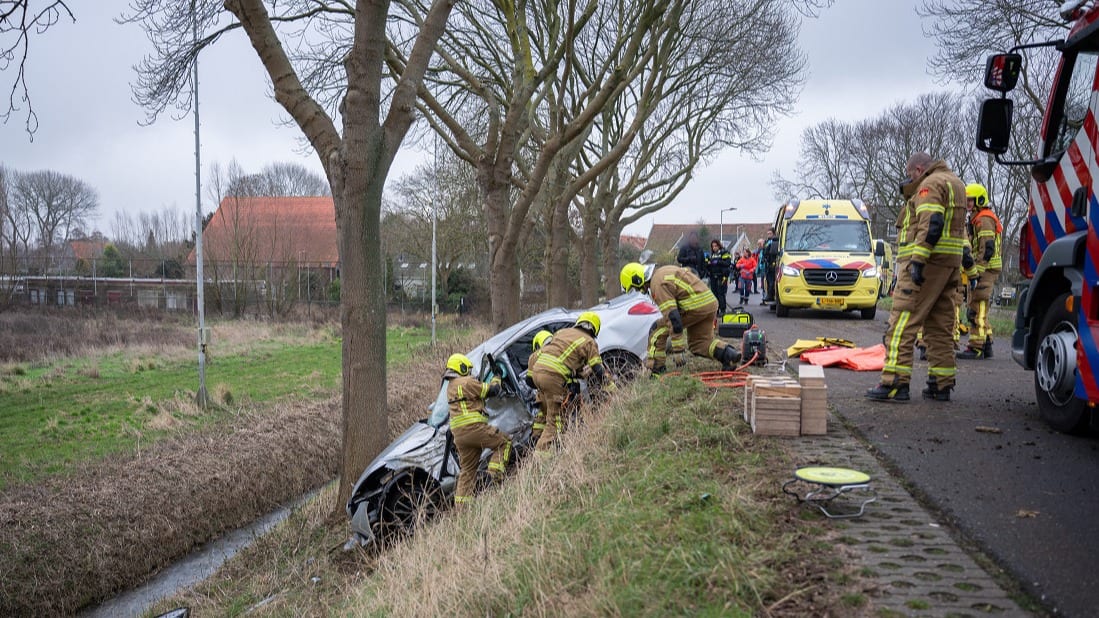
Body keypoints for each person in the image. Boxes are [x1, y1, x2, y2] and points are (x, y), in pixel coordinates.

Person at [867, 152, 966, 403]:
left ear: (919, 169)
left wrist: (918, 261)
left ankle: (894, 382)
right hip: (949, 266)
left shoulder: (929, 184)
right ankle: (940, 384)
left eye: (910, 174)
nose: (909, 178)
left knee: (901, 323)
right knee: (940, 326)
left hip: (926, 266)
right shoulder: (956, 183)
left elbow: (931, 222)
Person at [620, 262, 741, 374]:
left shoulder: (657, 283)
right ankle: (729, 355)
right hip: (709, 303)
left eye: (635, 287)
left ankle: (657, 369)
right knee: (699, 343)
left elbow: (673, 318)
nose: (639, 291)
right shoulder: (663, 272)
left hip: (695, 306)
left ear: (637, 279)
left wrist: (678, 350)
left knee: (657, 330)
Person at [529, 312, 616, 452]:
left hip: (538, 372)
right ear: (594, 329)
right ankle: (541, 460)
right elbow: (598, 369)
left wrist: (576, 373)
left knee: (547, 415)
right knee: (555, 423)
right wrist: (611, 388)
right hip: (553, 377)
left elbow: (563, 358)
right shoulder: (589, 341)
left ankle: (550, 447)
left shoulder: (562, 332)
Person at [444, 353, 511, 505]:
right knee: (504, 443)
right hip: (474, 429)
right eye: (467, 370)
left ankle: (462, 509)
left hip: (459, 436)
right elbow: (492, 391)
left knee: (467, 471)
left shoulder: (450, 387)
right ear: (461, 368)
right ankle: (493, 478)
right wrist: (497, 376)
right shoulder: (466, 382)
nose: (469, 373)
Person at [957, 183, 1002, 360]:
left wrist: (978, 271)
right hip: (985, 268)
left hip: (986, 269)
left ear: (979, 200)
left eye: (970, 200)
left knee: (977, 308)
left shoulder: (983, 219)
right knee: (979, 307)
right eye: (966, 200)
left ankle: (976, 346)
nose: (968, 203)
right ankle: (987, 343)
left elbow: (987, 248)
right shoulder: (977, 218)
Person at [524, 330, 553, 444]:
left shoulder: (535, 356)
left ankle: (536, 440)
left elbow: (530, 381)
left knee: (545, 418)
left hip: (545, 396)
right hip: (563, 390)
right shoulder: (558, 351)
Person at [705, 239, 732, 315]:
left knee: (721, 293)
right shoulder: (711, 255)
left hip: (722, 276)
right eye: (713, 246)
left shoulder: (724, 252)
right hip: (713, 276)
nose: (714, 248)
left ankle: (722, 310)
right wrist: (709, 263)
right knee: (714, 294)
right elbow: (707, 263)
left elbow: (727, 262)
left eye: (715, 246)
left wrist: (717, 262)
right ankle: (716, 310)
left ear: (719, 245)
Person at [761, 228, 778, 304]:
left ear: (774, 234)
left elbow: (772, 253)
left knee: (771, 281)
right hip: (767, 264)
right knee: (768, 280)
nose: (768, 235)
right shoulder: (767, 241)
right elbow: (765, 252)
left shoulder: (774, 241)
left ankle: (771, 295)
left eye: (770, 233)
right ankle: (768, 294)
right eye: (768, 234)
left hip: (772, 263)